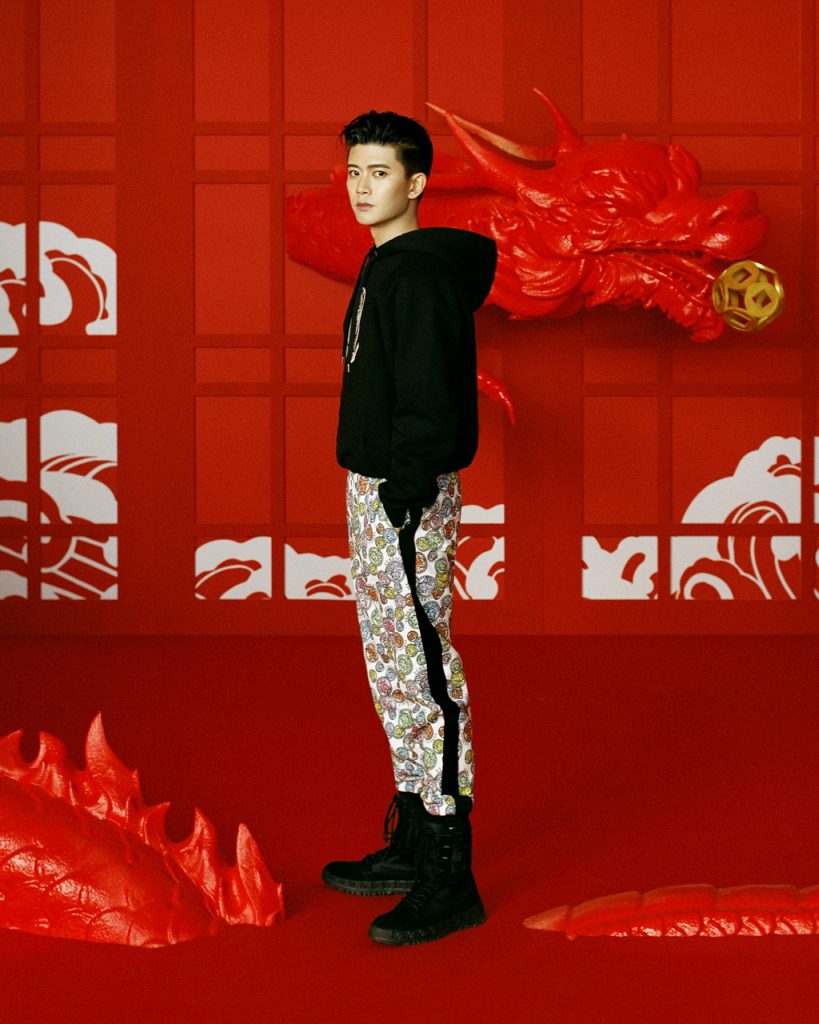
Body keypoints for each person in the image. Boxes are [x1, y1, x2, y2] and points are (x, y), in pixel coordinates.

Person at [321, 110, 497, 946]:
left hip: (404, 489)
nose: (362, 187)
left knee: (423, 667)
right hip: (376, 484)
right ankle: (415, 837)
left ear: (416, 183)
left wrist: (408, 483)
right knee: (392, 664)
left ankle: (448, 871)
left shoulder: (419, 275)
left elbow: (431, 395)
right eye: (354, 171)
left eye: (380, 172)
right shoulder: (386, 263)